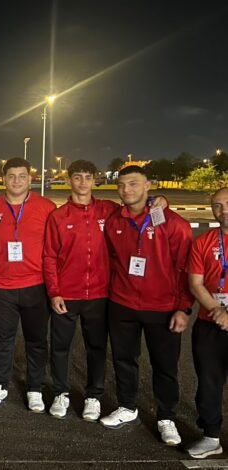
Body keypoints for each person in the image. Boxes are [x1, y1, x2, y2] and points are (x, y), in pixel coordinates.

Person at [100, 165, 192, 447]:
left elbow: (185, 268)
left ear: (148, 185)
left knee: (164, 365)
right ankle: (127, 406)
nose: (126, 190)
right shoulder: (114, 221)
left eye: (133, 183)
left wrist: (184, 307)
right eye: (122, 185)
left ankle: (166, 416)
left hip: (163, 307)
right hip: (122, 303)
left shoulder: (173, 223)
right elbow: (111, 259)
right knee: (123, 360)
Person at [42, 160, 117, 421]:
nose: (83, 182)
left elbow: (139, 209)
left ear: (95, 180)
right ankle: (60, 392)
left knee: (96, 347)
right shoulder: (58, 216)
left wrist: (158, 200)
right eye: (77, 177)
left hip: (99, 294)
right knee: (60, 347)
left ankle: (93, 396)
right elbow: (49, 256)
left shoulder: (109, 210)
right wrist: (54, 292)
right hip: (66, 295)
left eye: (87, 177)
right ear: (69, 180)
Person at [0, 158, 56, 411]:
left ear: (30, 178)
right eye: (11, 176)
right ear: (4, 179)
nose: (16, 181)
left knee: (36, 340)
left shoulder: (46, 207)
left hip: (36, 284)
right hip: (2, 285)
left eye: (22, 176)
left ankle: (35, 388)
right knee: (2, 339)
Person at [185, 187, 228, 459]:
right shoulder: (203, 241)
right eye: (217, 206)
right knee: (208, 384)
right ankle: (211, 437)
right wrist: (217, 310)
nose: (223, 210)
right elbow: (195, 283)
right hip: (209, 323)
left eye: (227, 203)